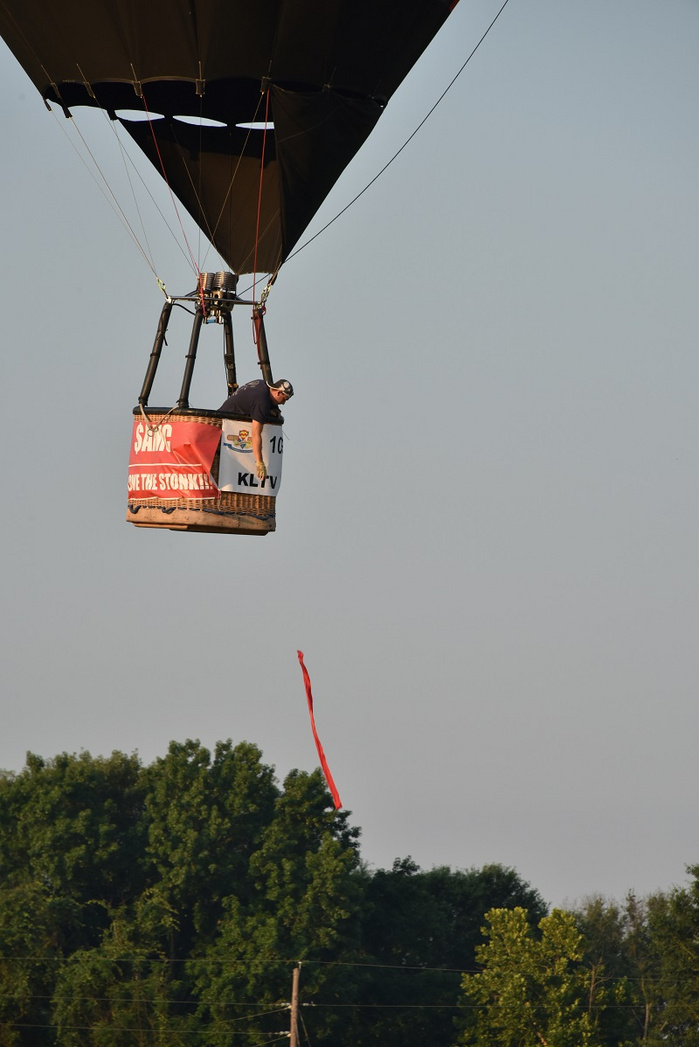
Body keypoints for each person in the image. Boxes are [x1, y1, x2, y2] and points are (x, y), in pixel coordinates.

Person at [219, 378, 293, 479]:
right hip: (221, 427)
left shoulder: (261, 383)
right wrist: (259, 463)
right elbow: (255, 433)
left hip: (224, 416)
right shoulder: (261, 402)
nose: (283, 403)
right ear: (279, 393)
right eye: (284, 399)